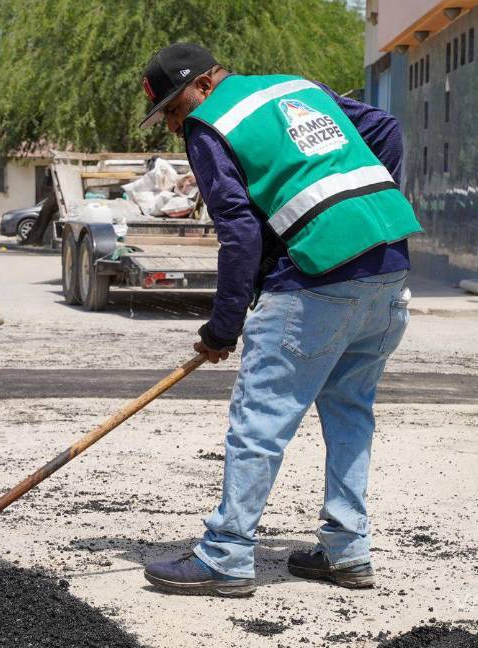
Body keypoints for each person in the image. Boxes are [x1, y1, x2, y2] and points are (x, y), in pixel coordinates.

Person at [139, 43, 422, 597]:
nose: (175, 126)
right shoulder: (296, 87)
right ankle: (348, 551)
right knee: (350, 414)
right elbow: (385, 128)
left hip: (317, 280)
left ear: (200, 87)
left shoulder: (209, 125)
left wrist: (223, 328)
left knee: (258, 424)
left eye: (173, 110)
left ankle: (225, 555)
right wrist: (357, 210)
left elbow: (239, 234)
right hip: (388, 264)